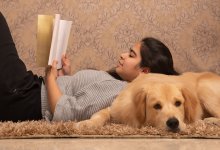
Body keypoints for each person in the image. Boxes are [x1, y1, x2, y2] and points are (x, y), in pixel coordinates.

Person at [0, 12, 178, 122]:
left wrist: (50, 77)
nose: (123, 55)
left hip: (24, 97)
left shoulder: (119, 92)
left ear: (144, 71)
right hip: (27, 91)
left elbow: (65, 113)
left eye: (131, 55)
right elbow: (71, 99)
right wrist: (64, 77)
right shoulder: (118, 84)